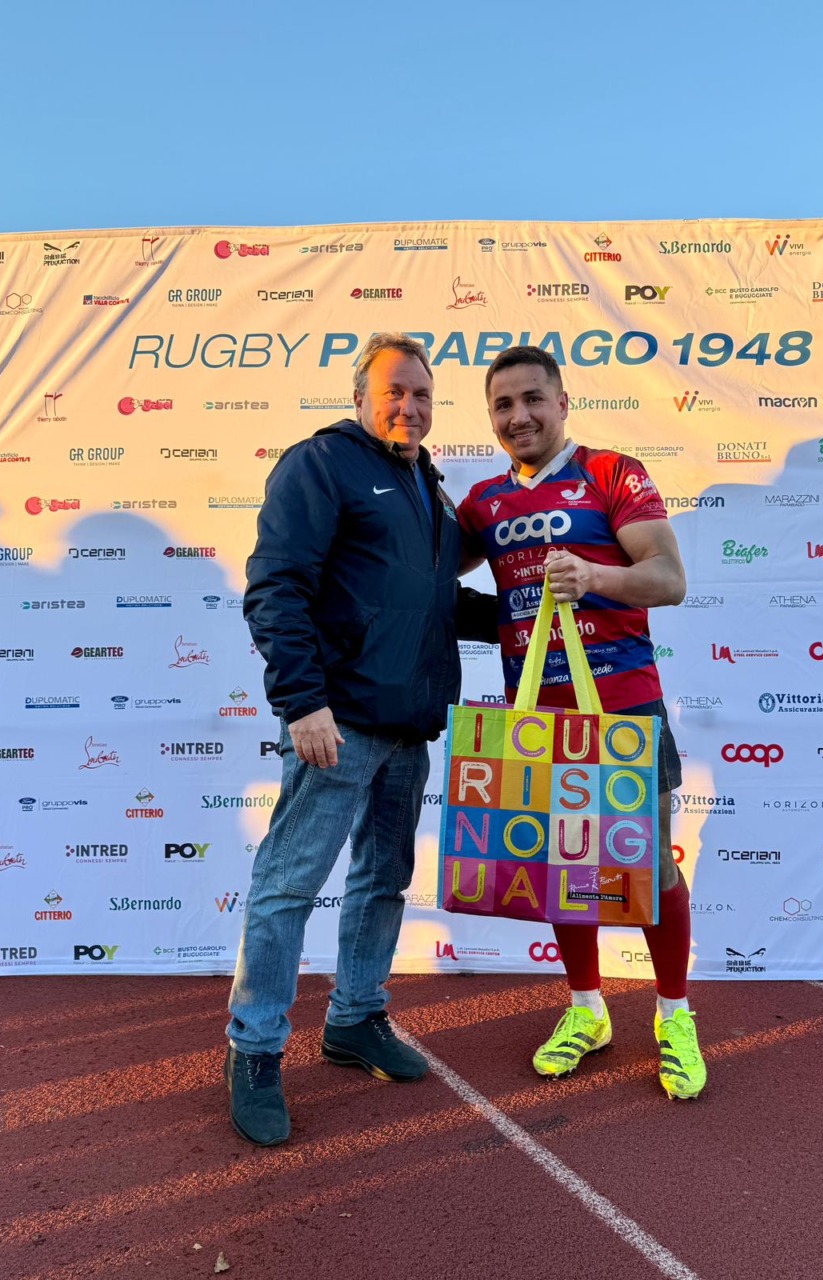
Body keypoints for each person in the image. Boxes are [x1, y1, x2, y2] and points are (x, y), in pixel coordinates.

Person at [226, 333, 494, 1146]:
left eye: (422, 394)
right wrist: (303, 702)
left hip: (409, 728)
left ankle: (355, 1018)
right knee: (288, 887)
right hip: (336, 723)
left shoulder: (427, 487)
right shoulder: (322, 464)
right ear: (360, 399)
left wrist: (534, 611)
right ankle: (255, 1050)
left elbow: (434, 604)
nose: (409, 406)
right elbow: (276, 586)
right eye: (393, 392)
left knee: (383, 883)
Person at [457, 345, 706, 1101]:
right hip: (537, 717)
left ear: (563, 403)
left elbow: (669, 578)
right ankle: (588, 1011)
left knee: (649, 868)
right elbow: (417, 569)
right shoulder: (483, 502)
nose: (519, 416)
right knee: (563, 871)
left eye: (533, 398)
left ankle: (674, 1015)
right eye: (503, 405)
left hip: (626, 710)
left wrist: (595, 576)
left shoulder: (611, 473)